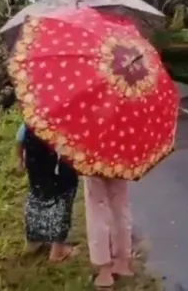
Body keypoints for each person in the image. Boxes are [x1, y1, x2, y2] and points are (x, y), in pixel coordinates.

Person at [16, 123, 79, 262]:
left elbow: (20, 134)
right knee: (63, 199)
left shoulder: (35, 110)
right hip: (58, 160)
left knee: (38, 194)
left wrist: (20, 159)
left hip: (34, 154)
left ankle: (34, 241)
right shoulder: (65, 112)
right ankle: (58, 250)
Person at [85, 177, 134, 288]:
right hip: (120, 161)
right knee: (121, 203)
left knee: (96, 207)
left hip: (94, 162)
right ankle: (122, 262)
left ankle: (105, 272)